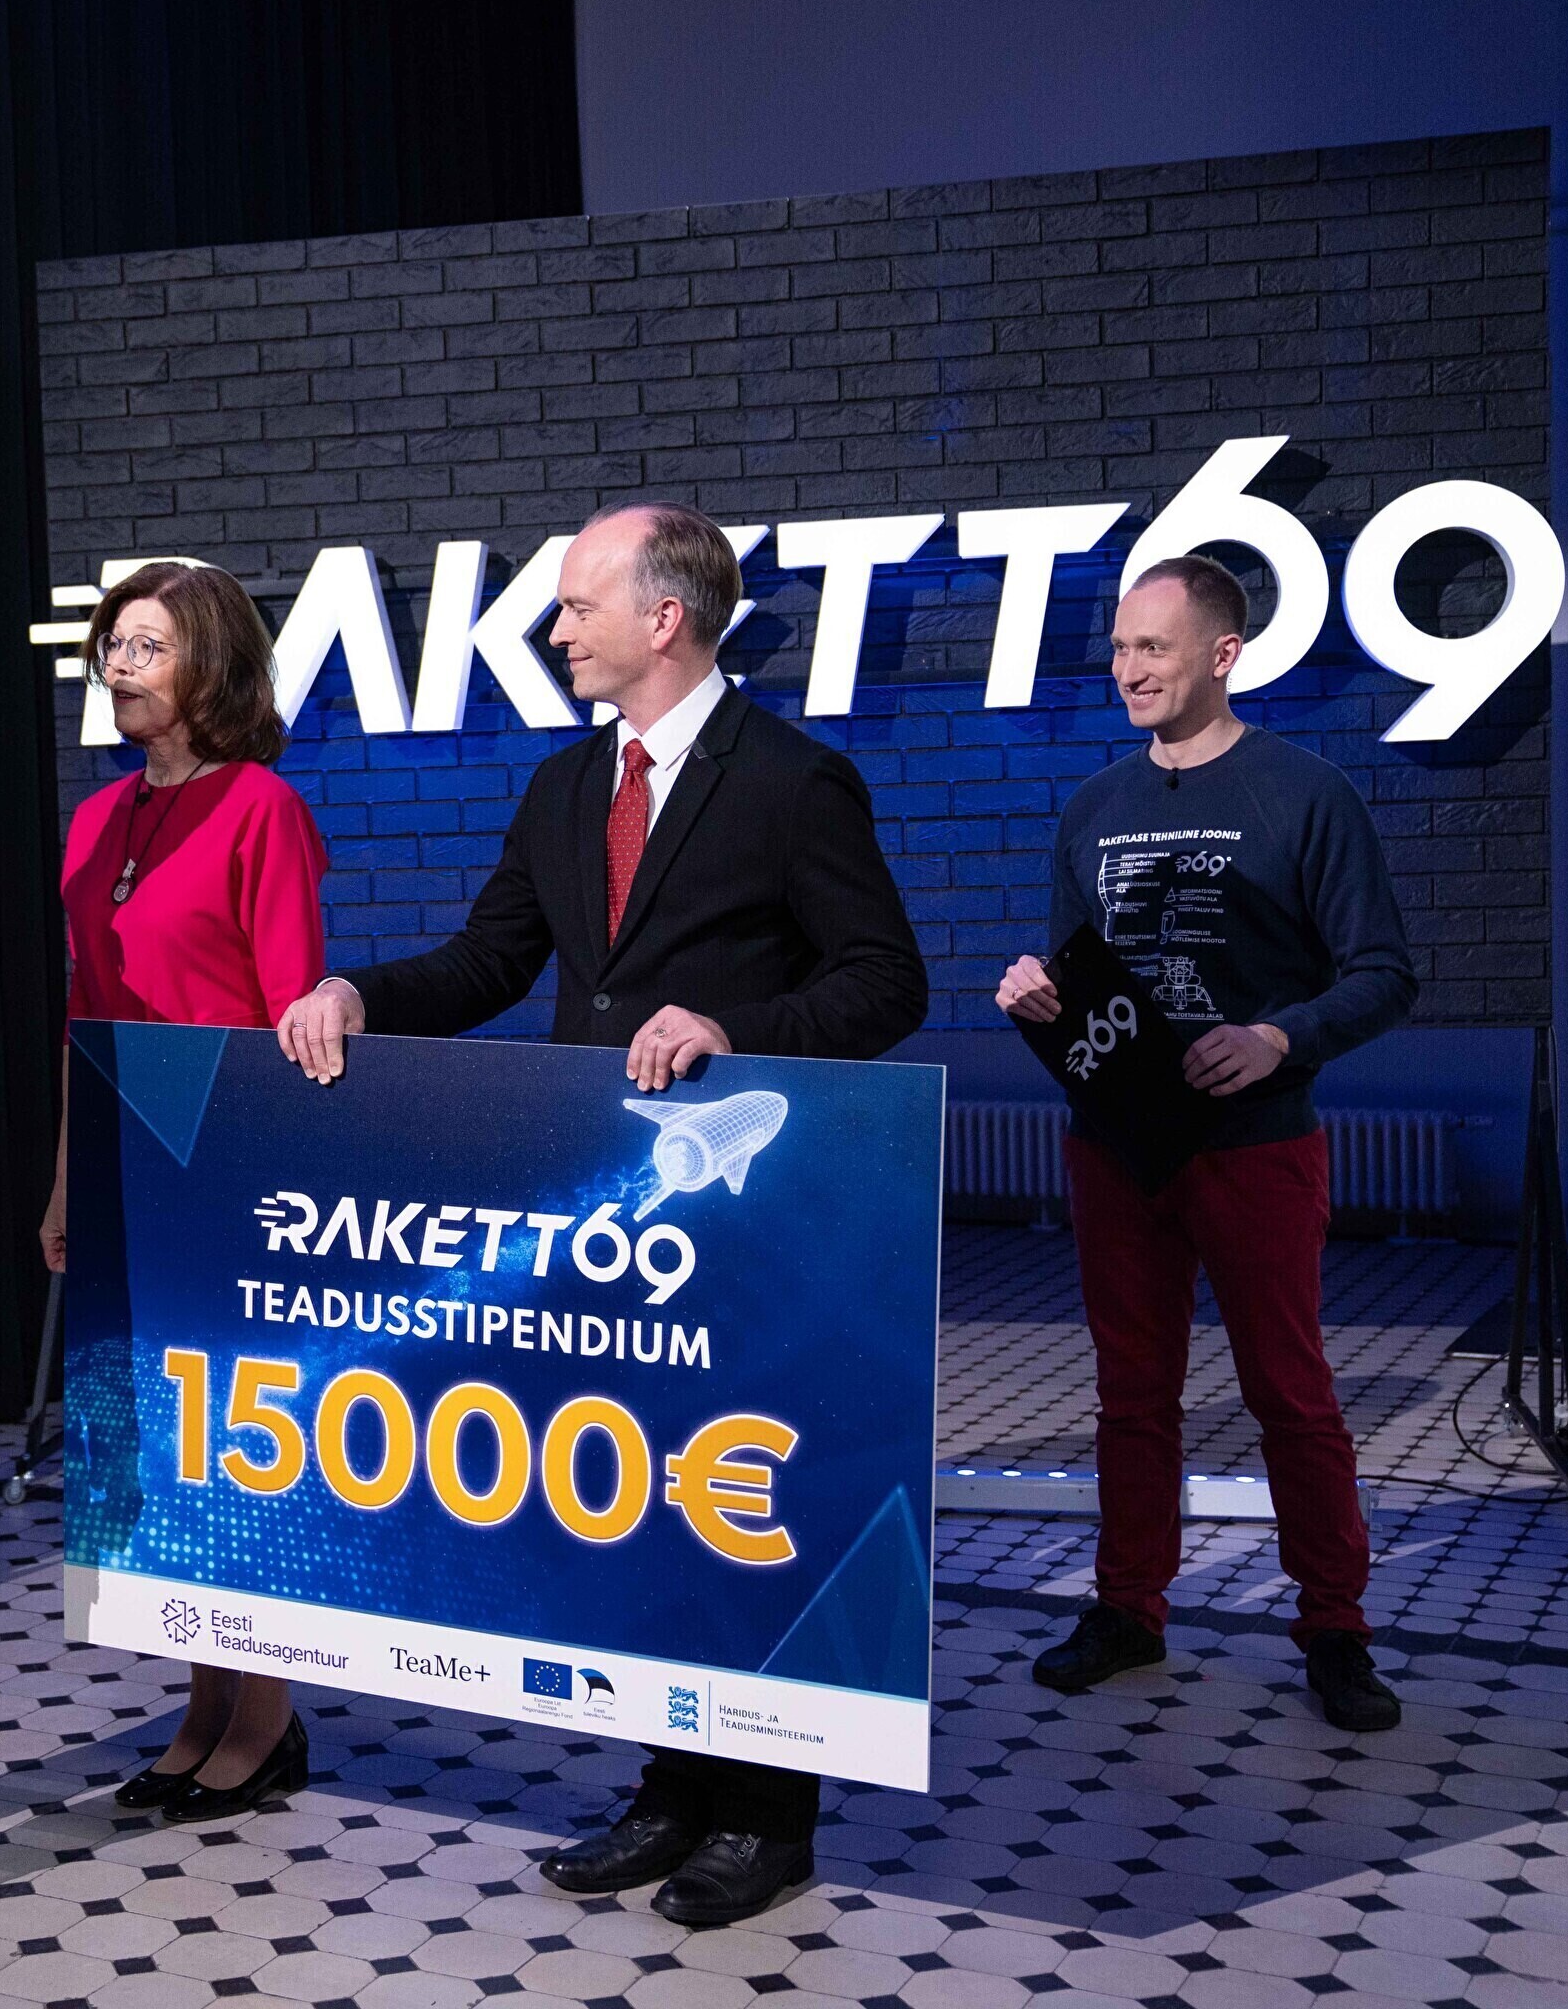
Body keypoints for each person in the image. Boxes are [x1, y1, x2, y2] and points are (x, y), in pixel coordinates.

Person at [277, 501, 928, 1927]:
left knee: (738, 1509)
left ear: (664, 617)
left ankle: (767, 1818)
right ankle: (671, 1790)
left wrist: (735, 1030)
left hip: (749, 1218)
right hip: (607, 1219)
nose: (555, 626)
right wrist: (358, 992)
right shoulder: (569, 784)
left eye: (577, 604)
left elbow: (887, 981)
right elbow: (490, 959)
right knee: (643, 1511)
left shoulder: (794, 781)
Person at [994, 552, 1416, 1732]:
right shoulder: (1092, 807)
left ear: (1223, 654)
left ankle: (1335, 1624)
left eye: (1153, 647)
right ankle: (1129, 1607)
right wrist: (1038, 997)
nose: (1127, 668)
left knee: (1290, 1390)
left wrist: (1280, 1035)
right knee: (1132, 1393)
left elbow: (1385, 972)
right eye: (1119, 648)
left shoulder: (1306, 793)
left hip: (1255, 1143)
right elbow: (1077, 982)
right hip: (1116, 1147)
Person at [43, 561, 330, 1826]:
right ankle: (205, 1701)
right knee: (156, 1451)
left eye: (146, 645)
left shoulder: (263, 806)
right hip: (122, 1161)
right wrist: (66, 1179)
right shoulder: (96, 818)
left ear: (210, 663)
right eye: (112, 643)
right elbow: (82, 1018)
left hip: (229, 1165)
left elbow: (291, 1016)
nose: (119, 664)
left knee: (234, 1448)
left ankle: (263, 1719)